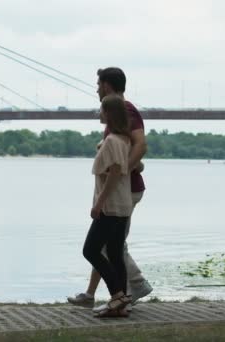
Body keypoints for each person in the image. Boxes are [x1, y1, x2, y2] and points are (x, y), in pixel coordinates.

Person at [68, 67, 152, 310]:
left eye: (98, 84)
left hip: (121, 194)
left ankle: (132, 287)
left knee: (106, 247)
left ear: (107, 85)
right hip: (117, 193)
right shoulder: (117, 127)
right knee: (110, 247)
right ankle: (98, 294)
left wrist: (123, 171)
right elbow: (123, 149)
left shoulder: (124, 109)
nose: (96, 89)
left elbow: (140, 146)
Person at [83, 94, 133, 317]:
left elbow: (113, 174)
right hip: (123, 205)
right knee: (114, 254)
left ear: (110, 114)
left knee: (91, 250)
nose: (99, 113)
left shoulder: (113, 141)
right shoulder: (122, 140)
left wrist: (98, 204)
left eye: (102, 110)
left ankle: (118, 295)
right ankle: (120, 306)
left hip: (110, 207)